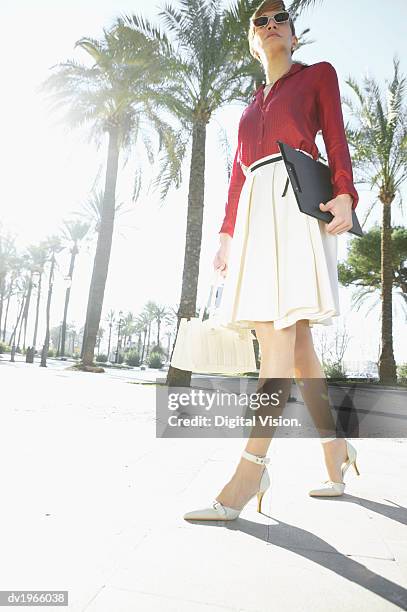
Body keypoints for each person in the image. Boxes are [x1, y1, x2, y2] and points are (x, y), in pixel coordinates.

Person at [184, 0, 360, 521]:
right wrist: (224, 234)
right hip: (256, 217)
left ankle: (250, 468)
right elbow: (238, 177)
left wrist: (346, 193)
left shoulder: (318, 76)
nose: (270, 24)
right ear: (251, 38)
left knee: (279, 343)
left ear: (293, 33)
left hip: (296, 206)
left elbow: (336, 137)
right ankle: (336, 450)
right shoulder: (247, 109)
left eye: (279, 17)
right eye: (260, 20)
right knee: (297, 343)